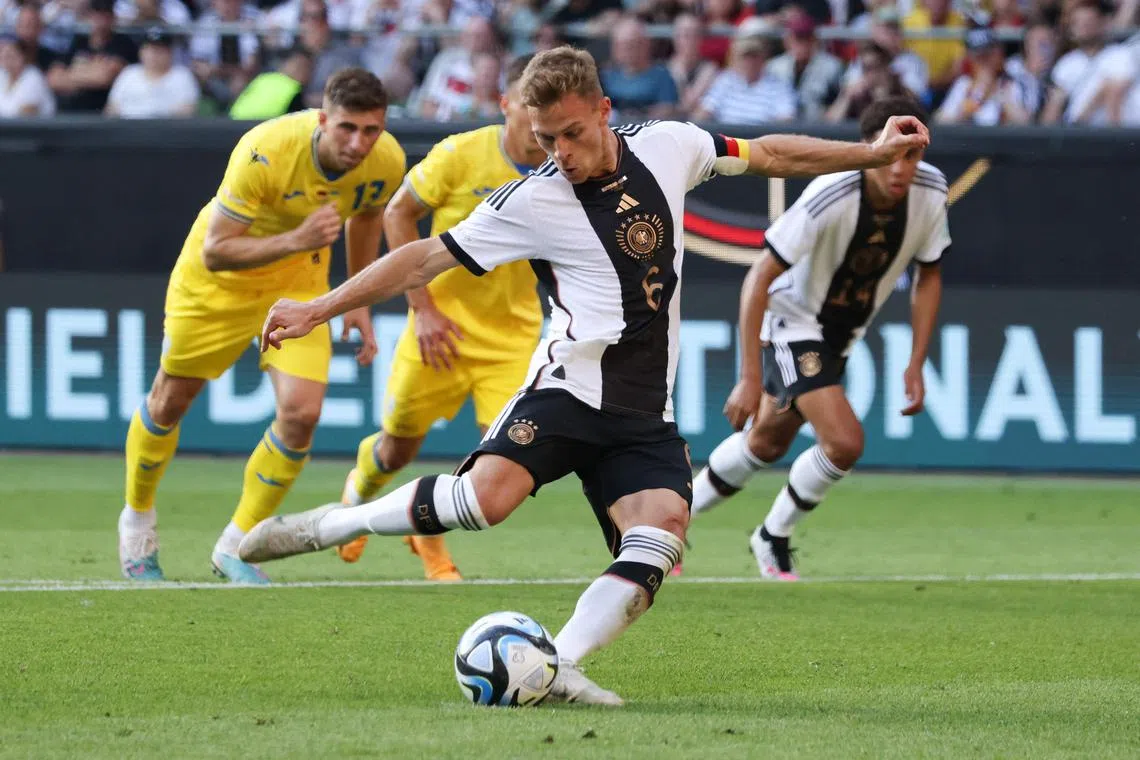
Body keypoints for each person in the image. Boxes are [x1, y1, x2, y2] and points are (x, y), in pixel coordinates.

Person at [239, 47, 928, 704]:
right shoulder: (532, 201)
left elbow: (770, 153)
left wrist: (870, 156)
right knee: (484, 504)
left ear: (602, 110)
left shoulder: (668, 145)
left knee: (659, 539)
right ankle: (330, 525)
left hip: (642, 412)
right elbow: (421, 259)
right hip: (567, 391)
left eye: (569, 134)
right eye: (544, 140)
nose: (558, 155)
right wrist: (319, 307)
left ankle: (555, 665)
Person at [117, 68, 406, 584]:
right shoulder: (265, 149)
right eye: (347, 128)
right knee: (169, 401)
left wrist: (358, 298)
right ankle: (137, 521)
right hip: (216, 284)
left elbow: (365, 217)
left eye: (371, 130)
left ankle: (237, 546)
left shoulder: (386, 160)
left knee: (302, 414)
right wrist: (296, 239)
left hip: (298, 288)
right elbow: (218, 249)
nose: (360, 143)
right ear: (322, 119)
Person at [688, 96, 948, 581]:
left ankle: (673, 521)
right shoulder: (832, 193)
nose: (901, 167)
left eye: (912, 154)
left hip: (842, 335)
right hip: (792, 323)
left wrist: (916, 361)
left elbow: (929, 274)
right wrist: (748, 376)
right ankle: (773, 535)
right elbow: (759, 279)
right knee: (845, 442)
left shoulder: (932, 192)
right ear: (870, 148)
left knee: (766, 441)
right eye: (890, 152)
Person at [333, 54, 547, 580]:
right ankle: (356, 500)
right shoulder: (461, 153)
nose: (537, 116)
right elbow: (397, 212)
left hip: (513, 338)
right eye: (528, 102)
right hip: (439, 331)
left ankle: (424, 526)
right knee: (395, 449)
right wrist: (422, 308)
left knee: (504, 465)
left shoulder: (564, 166)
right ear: (505, 104)